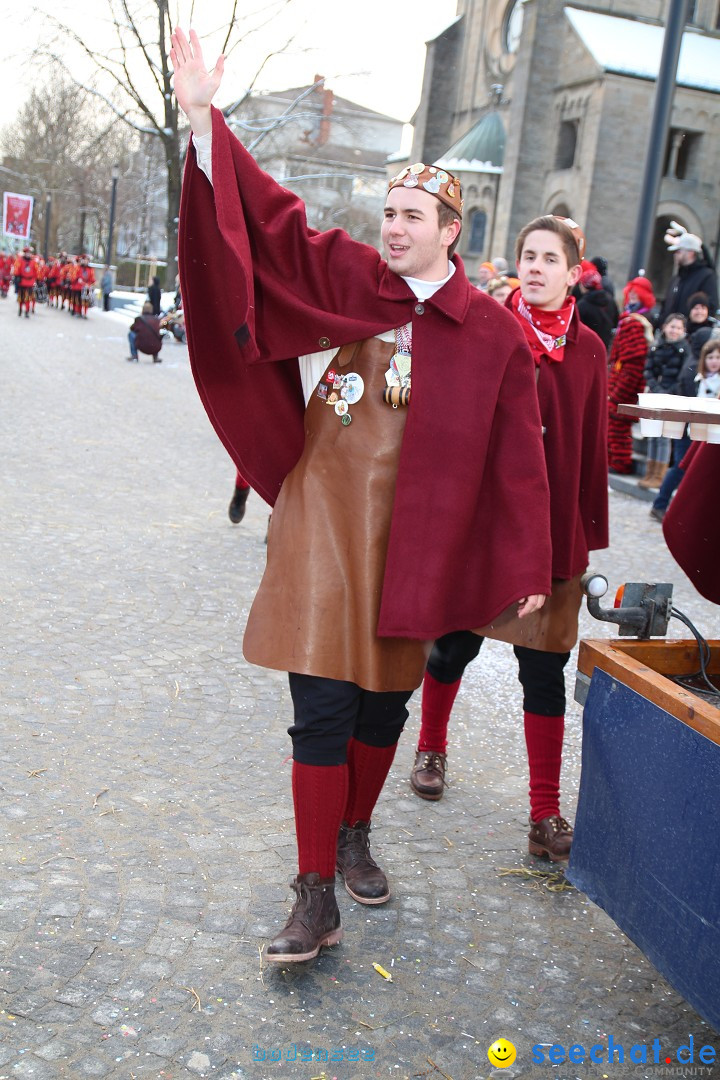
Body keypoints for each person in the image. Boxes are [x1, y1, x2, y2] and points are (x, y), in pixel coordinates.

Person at [171, 27, 552, 964]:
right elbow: (272, 226)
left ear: (451, 230)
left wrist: (528, 563)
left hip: (411, 545)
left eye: (411, 216)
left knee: (383, 708)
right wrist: (203, 122)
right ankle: (313, 895)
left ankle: (354, 832)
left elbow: (518, 460)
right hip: (322, 524)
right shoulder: (357, 282)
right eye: (387, 212)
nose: (392, 228)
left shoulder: (494, 335)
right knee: (320, 710)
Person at [407, 214, 609, 864]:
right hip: (485, 524)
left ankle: (544, 812)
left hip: (550, 536)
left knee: (544, 670)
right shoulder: (487, 329)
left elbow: (590, 448)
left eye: (551, 258)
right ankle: (430, 747)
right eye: (529, 255)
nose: (537, 266)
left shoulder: (591, 351)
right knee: (453, 647)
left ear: (573, 273)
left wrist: (582, 530)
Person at [650, 338, 720, 522]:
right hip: (687, 429)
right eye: (711, 357)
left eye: (718, 357)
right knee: (680, 466)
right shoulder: (694, 379)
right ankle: (660, 504)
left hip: (710, 435)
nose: (714, 361)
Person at [607, 277, 656, 474]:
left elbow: (633, 364)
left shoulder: (634, 323)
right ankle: (615, 461)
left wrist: (617, 393)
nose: (633, 295)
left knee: (618, 427)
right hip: (618, 383)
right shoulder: (629, 318)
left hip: (622, 388)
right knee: (614, 427)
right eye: (631, 291)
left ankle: (620, 462)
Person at [639, 313, 690, 490]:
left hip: (672, 397)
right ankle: (649, 472)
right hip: (654, 393)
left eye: (678, 327)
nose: (674, 330)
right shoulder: (656, 346)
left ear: (683, 331)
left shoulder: (685, 350)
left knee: (663, 437)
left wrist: (667, 393)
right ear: (665, 327)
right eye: (672, 326)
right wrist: (655, 387)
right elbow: (648, 370)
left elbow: (683, 376)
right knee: (652, 435)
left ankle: (659, 474)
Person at [659, 223, 718, 323]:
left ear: (691, 253)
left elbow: (710, 307)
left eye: (679, 251)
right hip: (669, 333)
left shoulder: (706, 276)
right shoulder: (676, 278)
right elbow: (666, 306)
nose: (676, 255)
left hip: (690, 334)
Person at [575, 262, 613, 351]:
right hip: (604, 347)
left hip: (585, 348)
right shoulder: (610, 300)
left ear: (584, 285)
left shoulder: (582, 305)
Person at [13, 247, 37, 318]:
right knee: (21, 297)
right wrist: (17, 277)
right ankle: (20, 309)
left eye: (29, 253)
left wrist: (37, 280)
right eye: (27, 253)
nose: (28, 254)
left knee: (28, 298)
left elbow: (36, 271)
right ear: (25, 253)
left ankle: (27, 311)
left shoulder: (33, 262)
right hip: (22, 282)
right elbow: (16, 269)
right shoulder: (20, 260)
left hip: (30, 282)